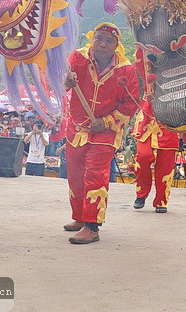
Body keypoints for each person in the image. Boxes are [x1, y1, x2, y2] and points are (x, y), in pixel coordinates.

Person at [62, 23, 139, 244]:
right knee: (75, 175)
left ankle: (92, 226)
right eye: (99, 38)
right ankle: (79, 217)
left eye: (109, 40)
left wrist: (105, 121)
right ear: (92, 39)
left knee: (95, 174)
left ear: (117, 45)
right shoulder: (77, 58)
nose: (103, 44)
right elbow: (62, 78)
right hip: (77, 127)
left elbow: (129, 105)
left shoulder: (126, 70)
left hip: (106, 132)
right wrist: (65, 81)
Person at [131, 48, 180, 212]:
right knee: (143, 156)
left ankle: (161, 200)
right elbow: (139, 55)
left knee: (166, 162)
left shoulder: (178, 58)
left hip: (170, 112)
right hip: (148, 114)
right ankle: (141, 192)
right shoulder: (146, 56)